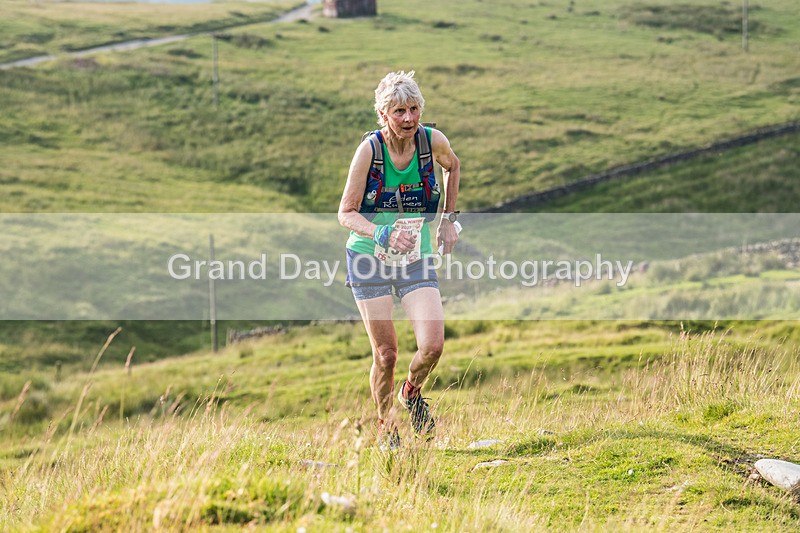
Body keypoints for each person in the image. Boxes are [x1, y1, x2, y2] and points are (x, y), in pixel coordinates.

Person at [338, 70, 461, 448]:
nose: (408, 119)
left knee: (433, 345)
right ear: (383, 114)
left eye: (413, 109)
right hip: (368, 258)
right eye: (398, 112)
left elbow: (453, 166)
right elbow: (346, 211)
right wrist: (381, 232)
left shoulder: (431, 142)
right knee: (386, 354)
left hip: (415, 258)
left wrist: (448, 220)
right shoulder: (370, 151)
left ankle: (411, 392)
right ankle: (386, 426)